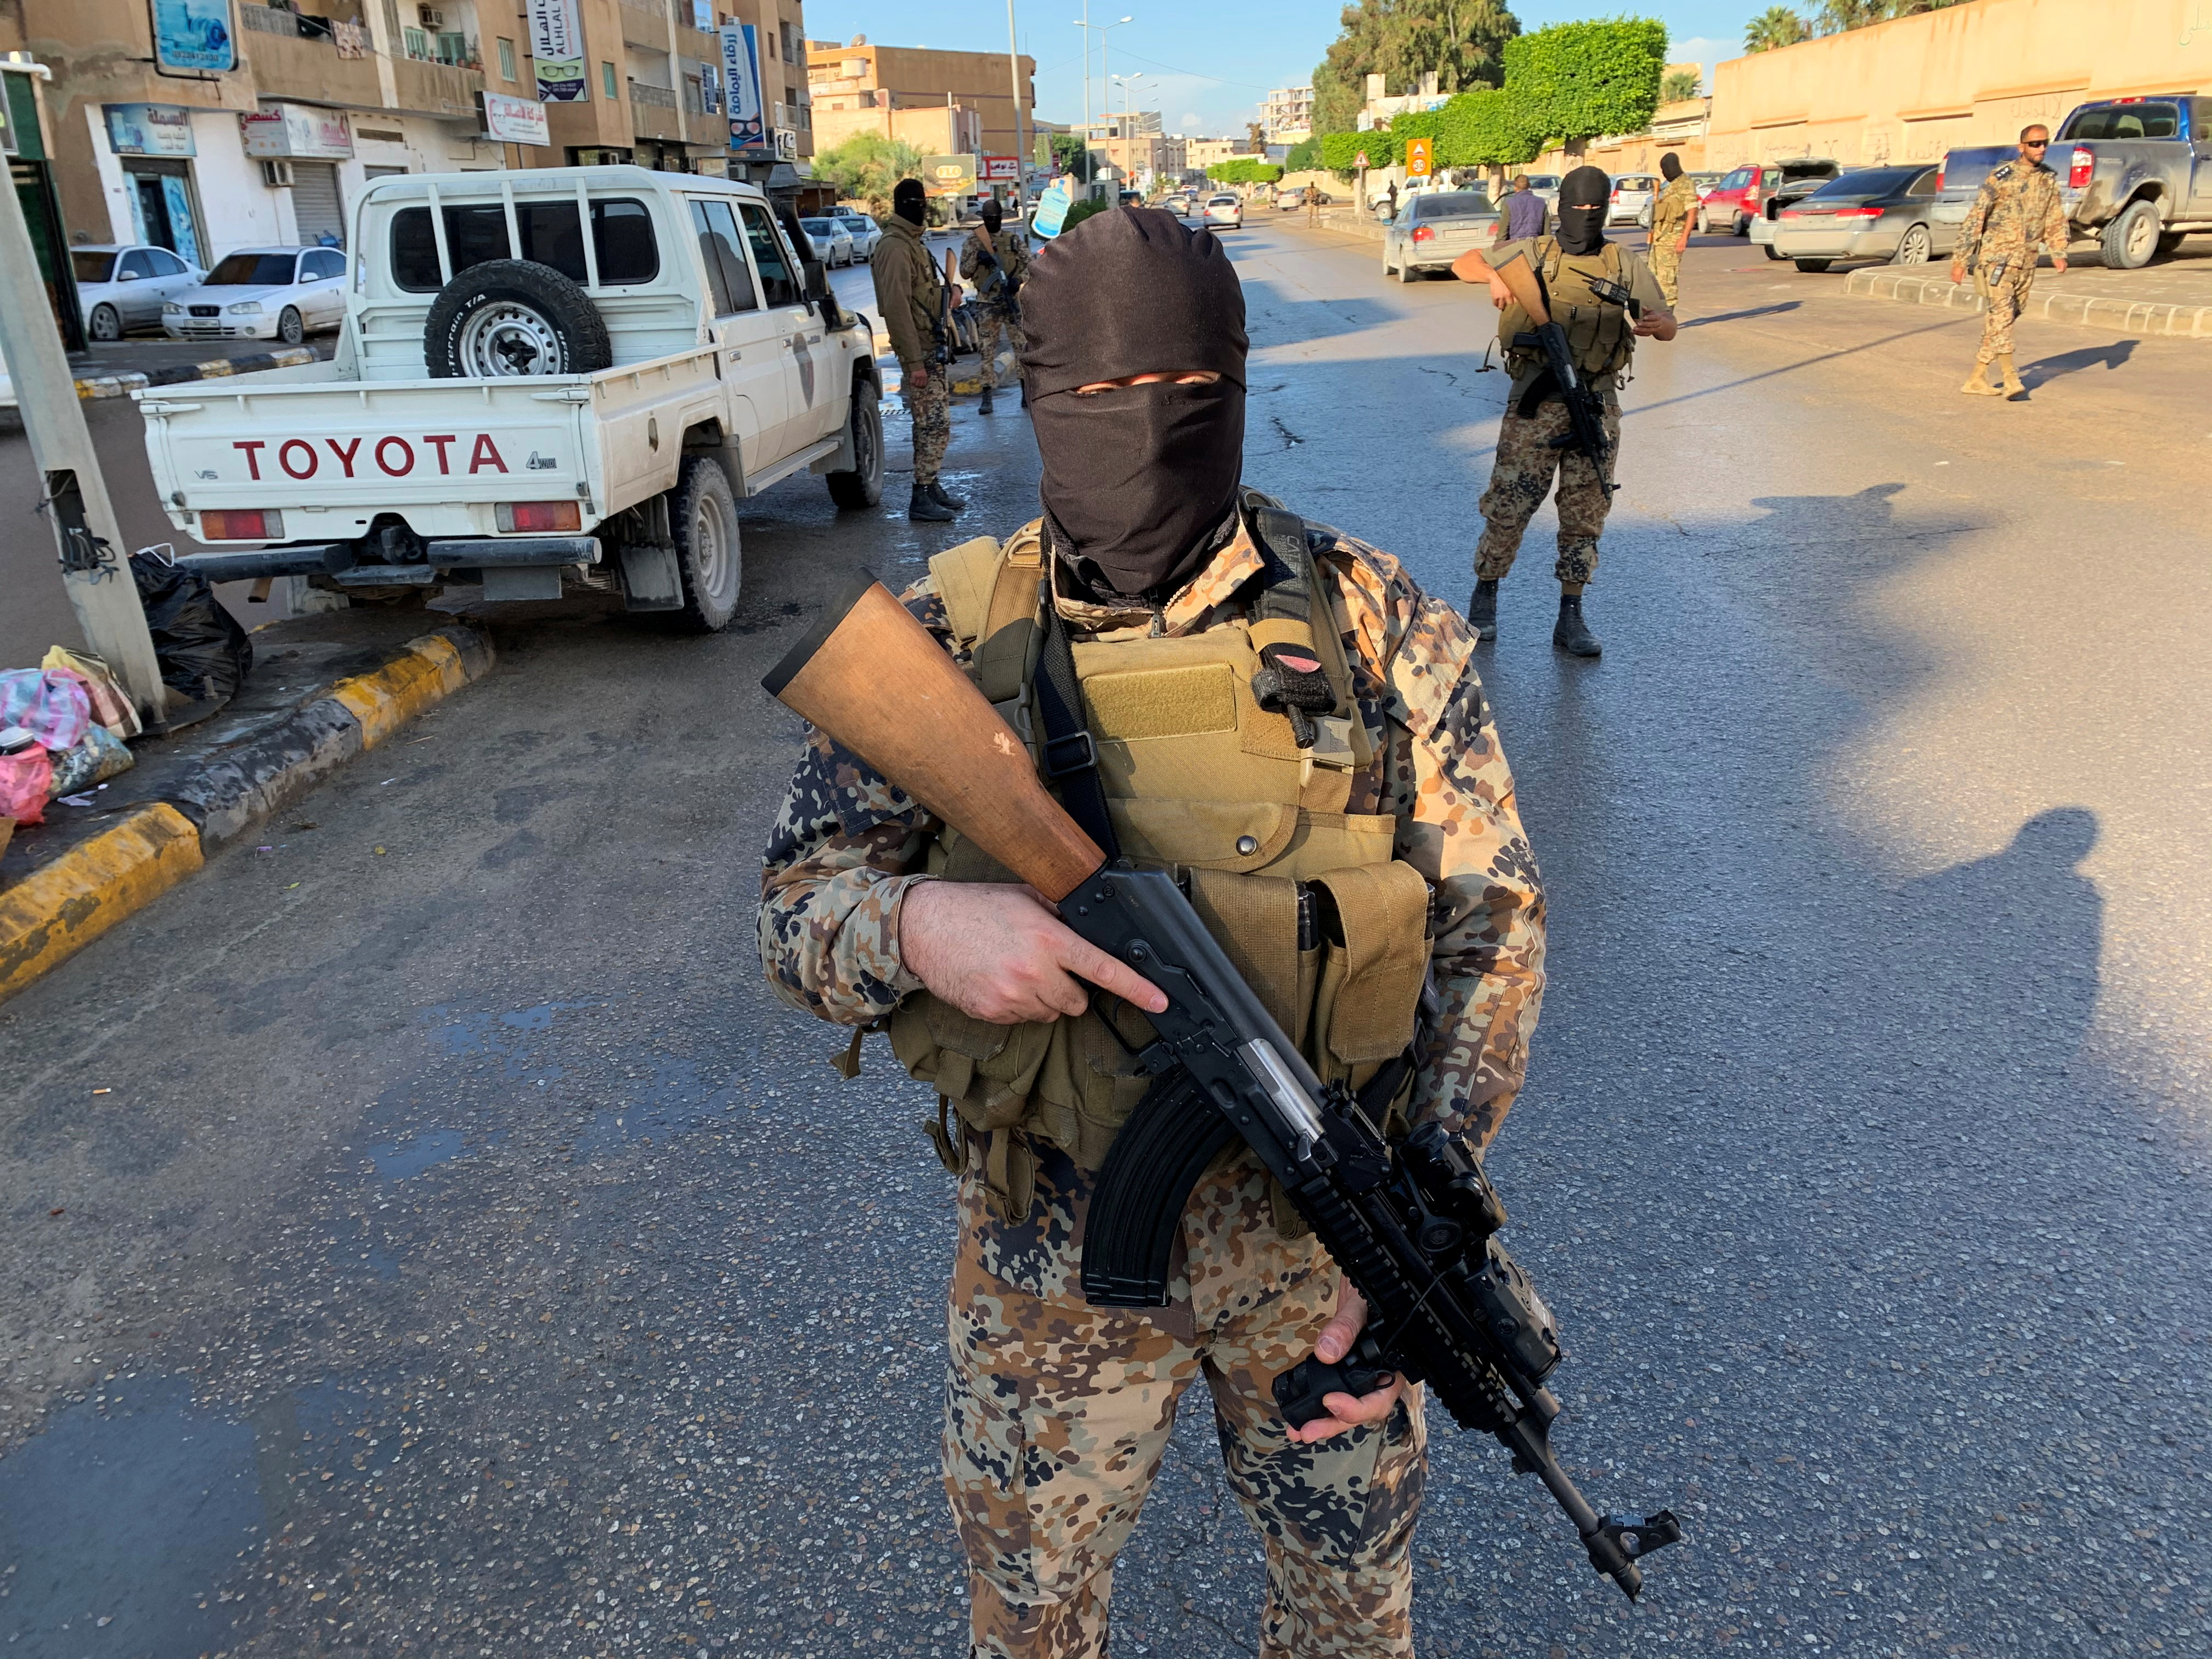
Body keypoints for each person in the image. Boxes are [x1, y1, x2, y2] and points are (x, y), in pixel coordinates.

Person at [759, 203, 1547, 1659]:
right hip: (1050, 1249)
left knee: (1348, 1617)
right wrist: (924, 924)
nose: (1146, 427)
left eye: (1186, 395)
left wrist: (1423, 1213)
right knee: (1035, 1616)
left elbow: (1490, 919)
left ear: (1236, 391)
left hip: (1320, 1254)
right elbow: (798, 910)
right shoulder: (945, 635)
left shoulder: (1374, 626)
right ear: (1042, 393)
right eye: (1100, 397)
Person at [1449, 165, 1676, 657]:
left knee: (1585, 512)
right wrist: (1492, 276)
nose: (1587, 218)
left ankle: (1570, 615)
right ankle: (1485, 595)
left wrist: (1661, 323)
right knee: (1510, 505)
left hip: (1596, 404)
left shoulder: (1622, 262)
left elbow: (1667, 322)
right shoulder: (1534, 251)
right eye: (1579, 209)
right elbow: (1463, 263)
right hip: (1535, 404)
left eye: (1597, 210)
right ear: (1562, 208)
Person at [1950, 124, 2070, 398]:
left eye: (2044, 143)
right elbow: (1977, 216)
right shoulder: (2002, 177)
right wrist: (1960, 259)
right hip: (1999, 259)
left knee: (2005, 317)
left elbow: (2055, 215)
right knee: (2002, 314)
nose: (2041, 148)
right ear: (2022, 147)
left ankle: (1977, 377)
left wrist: (2058, 251)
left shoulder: (2049, 178)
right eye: (2035, 144)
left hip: (2028, 259)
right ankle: (2010, 377)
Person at [873, 177, 963, 522]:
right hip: (920, 353)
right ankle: (920, 494)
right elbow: (896, 309)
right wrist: (914, 364)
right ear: (906, 206)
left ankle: (931, 484)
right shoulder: (895, 248)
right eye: (919, 203)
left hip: (931, 347)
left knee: (936, 424)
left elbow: (921, 295)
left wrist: (950, 293)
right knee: (932, 425)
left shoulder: (912, 242)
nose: (924, 209)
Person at [958, 198, 1030, 415]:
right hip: (987, 303)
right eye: (987, 219)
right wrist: (980, 259)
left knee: (1021, 347)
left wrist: (1018, 281)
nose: (991, 222)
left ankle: (1026, 393)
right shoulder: (974, 242)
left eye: (994, 218)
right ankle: (987, 395)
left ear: (1001, 218)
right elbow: (964, 272)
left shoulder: (1012, 240)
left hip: (1010, 300)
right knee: (987, 349)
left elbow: (1032, 264)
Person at [1646, 153, 1697, 311]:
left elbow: (1693, 212)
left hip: (1672, 241)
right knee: (1653, 278)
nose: (1664, 172)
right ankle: (1656, 312)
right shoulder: (1670, 185)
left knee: (1667, 280)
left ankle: (1669, 315)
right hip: (1659, 240)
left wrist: (1684, 238)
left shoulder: (1685, 185)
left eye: (1665, 169)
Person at [1501, 173, 1546, 243]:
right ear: (1529, 186)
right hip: (1535, 243)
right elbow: (1547, 228)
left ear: (1515, 188)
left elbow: (1504, 227)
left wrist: (1499, 244)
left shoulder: (1509, 203)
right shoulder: (1541, 202)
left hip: (1515, 243)